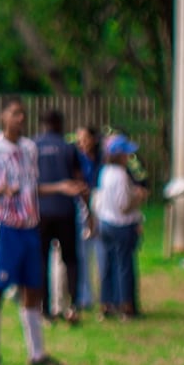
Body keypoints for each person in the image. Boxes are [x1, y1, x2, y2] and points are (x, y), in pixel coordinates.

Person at [0, 98, 66, 365]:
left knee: (33, 289)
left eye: (23, 113)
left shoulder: (29, 148)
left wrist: (60, 187)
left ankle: (36, 353)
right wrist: (2, 191)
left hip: (29, 225)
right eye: (14, 113)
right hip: (4, 226)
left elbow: (32, 185)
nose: (20, 118)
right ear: (3, 116)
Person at [34, 109, 87, 323]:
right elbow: (79, 180)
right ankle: (72, 305)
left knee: (42, 261)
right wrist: (88, 210)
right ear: (60, 124)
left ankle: (45, 309)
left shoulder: (32, 146)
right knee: (71, 260)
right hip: (65, 210)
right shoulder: (69, 147)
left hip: (41, 213)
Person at [97, 135, 147, 320]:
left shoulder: (105, 172)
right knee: (124, 266)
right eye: (126, 153)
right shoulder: (121, 175)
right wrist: (138, 197)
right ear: (119, 155)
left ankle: (107, 303)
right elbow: (123, 205)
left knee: (108, 265)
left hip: (106, 222)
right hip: (122, 225)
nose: (129, 156)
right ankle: (126, 306)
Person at [75, 125, 105, 310]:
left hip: (101, 205)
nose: (82, 143)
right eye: (79, 139)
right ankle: (84, 296)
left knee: (102, 252)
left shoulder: (103, 159)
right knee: (83, 254)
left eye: (85, 138)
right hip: (82, 205)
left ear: (94, 139)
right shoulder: (77, 159)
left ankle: (106, 295)